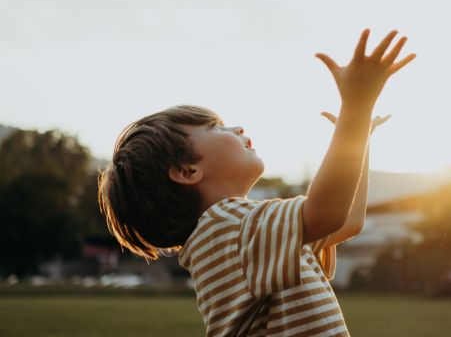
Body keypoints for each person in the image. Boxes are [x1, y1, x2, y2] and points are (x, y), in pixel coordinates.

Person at [98, 28, 416, 336]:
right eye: (215, 128)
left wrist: (358, 139)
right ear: (187, 171)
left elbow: (347, 220)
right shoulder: (229, 228)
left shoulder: (237, 235)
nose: (236, 128)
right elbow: (327, 213)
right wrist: (356, 107)